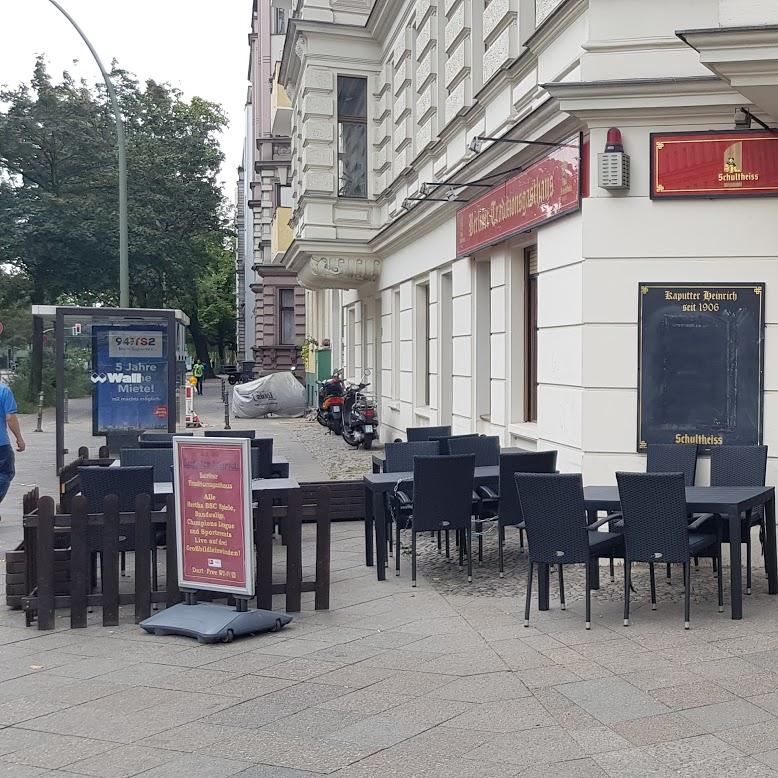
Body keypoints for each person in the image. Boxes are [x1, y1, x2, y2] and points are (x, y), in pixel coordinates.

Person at [0, 382, 25, 510]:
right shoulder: (4, 390)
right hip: (1, 444)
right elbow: (10, 418)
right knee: (5, 472)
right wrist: (19, 438)